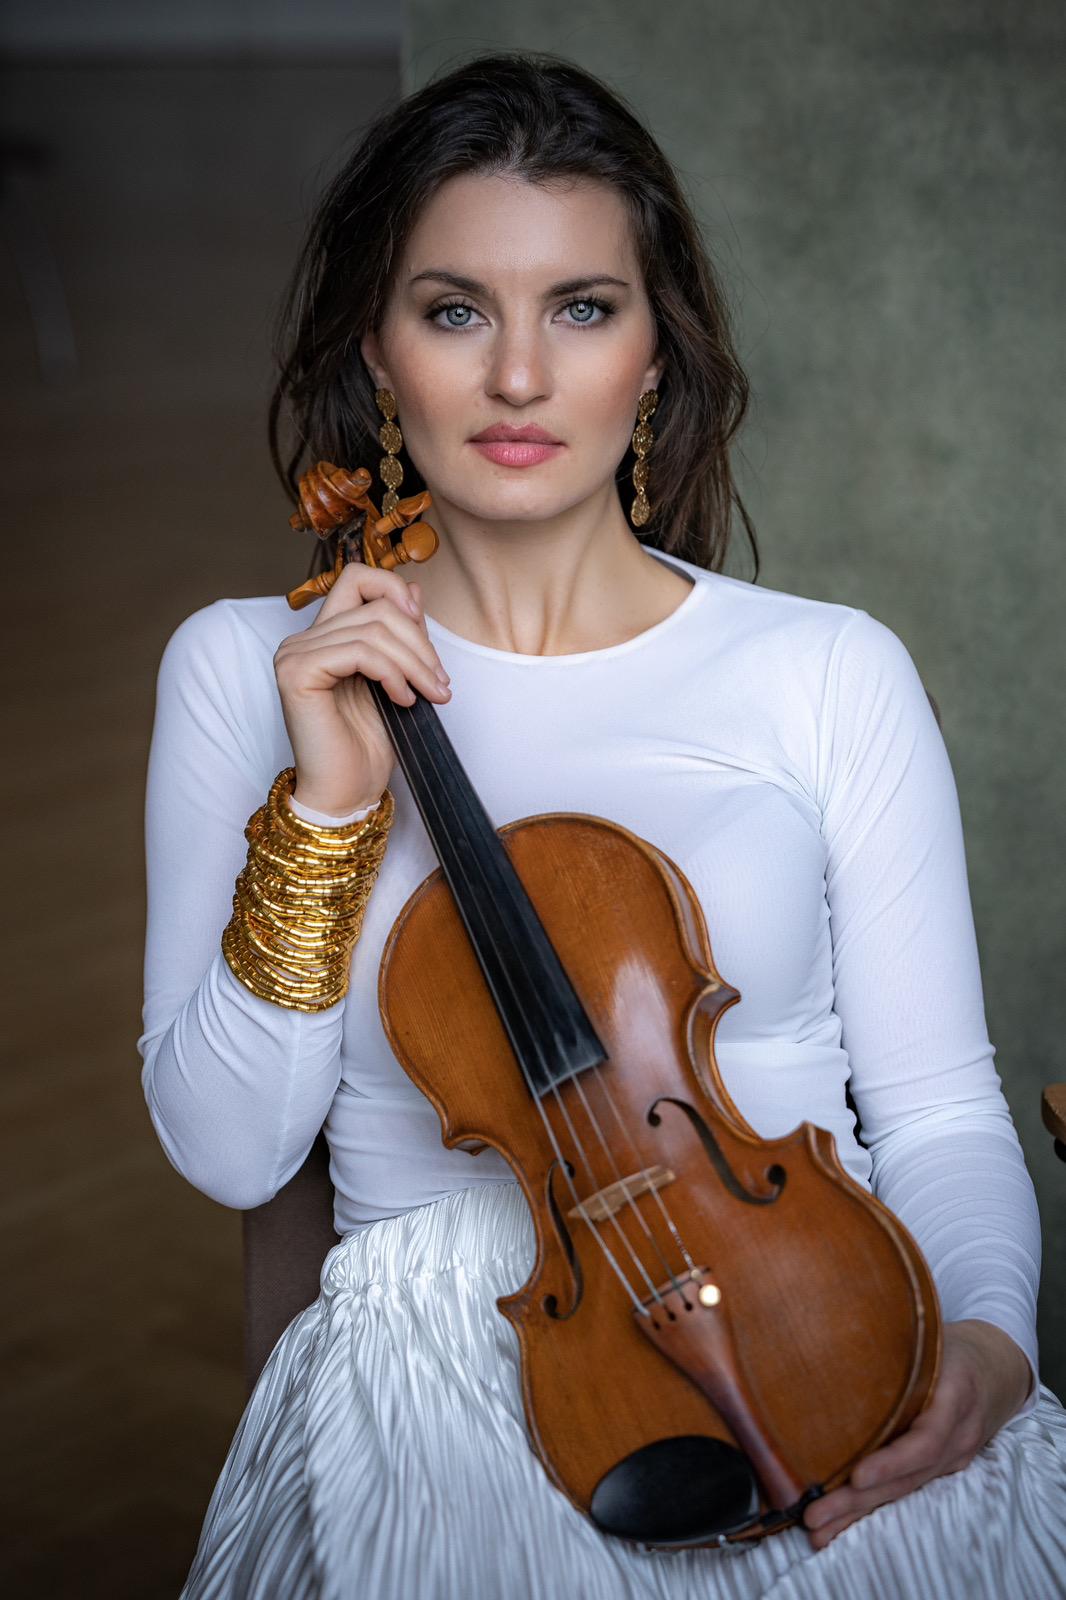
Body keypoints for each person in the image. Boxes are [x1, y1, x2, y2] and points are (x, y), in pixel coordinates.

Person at [139, 51, 1066, 1600]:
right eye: (454, 312)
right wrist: (329, 808)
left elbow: (938, 1111)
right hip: (440, 1362)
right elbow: (234, 1157)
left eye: (579, 308)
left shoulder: (825, 668)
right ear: (377, 351)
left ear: (652, 355)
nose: (518, 377)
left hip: (824, 1334)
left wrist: (981, 1344)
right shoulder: (246, 668)